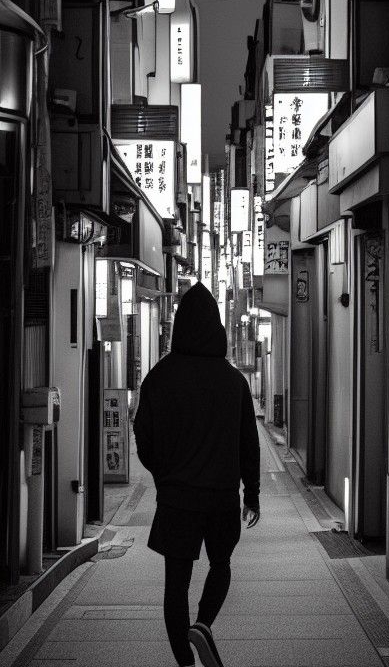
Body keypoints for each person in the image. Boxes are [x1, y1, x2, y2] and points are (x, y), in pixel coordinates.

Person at [133, 282, 260, 667]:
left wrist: (165, 474)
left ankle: (185, 663)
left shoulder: (159, 377)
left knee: (176, 585)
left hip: (177, 498)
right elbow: (248, 443)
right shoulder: (233, 380)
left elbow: (143, 436)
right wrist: (251, 492)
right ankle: (203, 625)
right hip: (221, 495)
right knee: (221, 565)